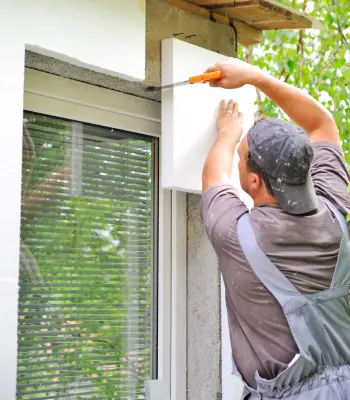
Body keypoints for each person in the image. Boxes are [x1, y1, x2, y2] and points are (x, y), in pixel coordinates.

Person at [200, 58, 350, 399]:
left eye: (241, 156)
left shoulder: (236, 236)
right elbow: (322, 124)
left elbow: (212, 177)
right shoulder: (335, 207)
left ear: (253, 180)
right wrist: (255, 77)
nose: (237, 157)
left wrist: (227, 134)